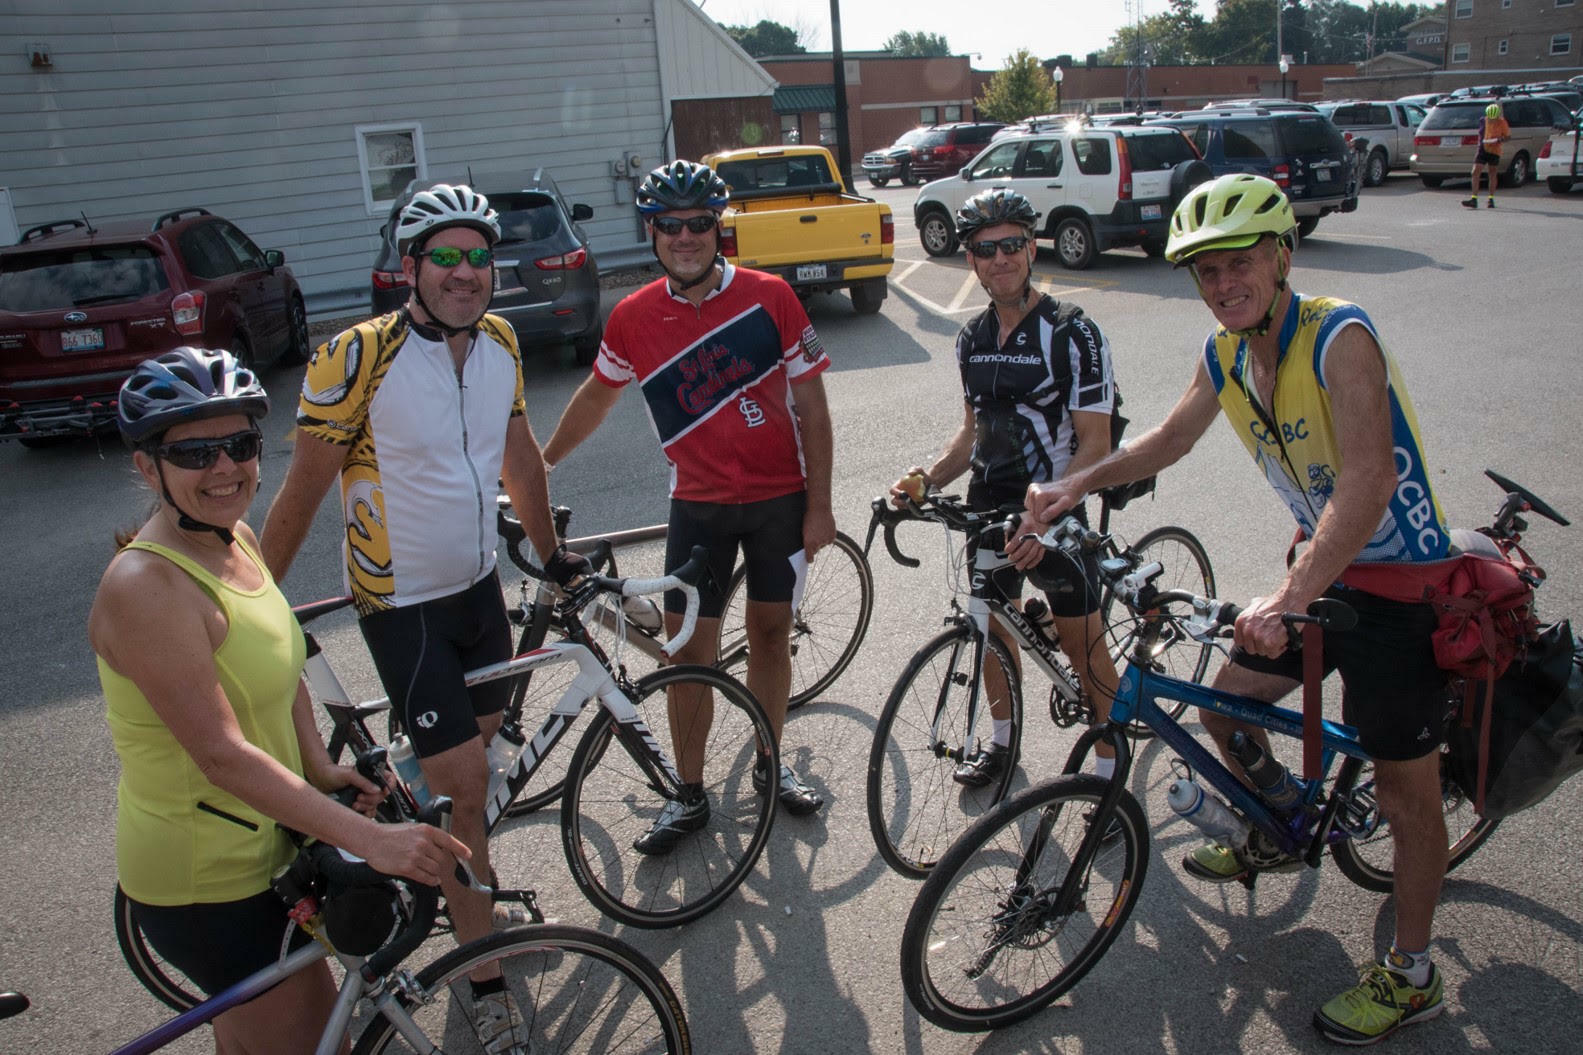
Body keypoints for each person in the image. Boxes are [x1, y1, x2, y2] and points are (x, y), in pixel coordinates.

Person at [1018, 173, 1454, 1045]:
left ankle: (1412, 971)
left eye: (1239, 264)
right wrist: (1074, 483)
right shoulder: (1225, 353)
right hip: (1321, 576)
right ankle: (1281, 821)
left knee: (1405, 788)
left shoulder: (1339, 336)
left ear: (1281, 255)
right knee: (1228, 707)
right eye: (1204, 273)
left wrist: (1289, 597)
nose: (1222, 285)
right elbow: (1169, 439)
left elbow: (1367, 485)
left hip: (1401, 586)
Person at [258, 184, 586, 1044]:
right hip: (400, 607)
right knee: (469, 791)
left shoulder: (502, 342)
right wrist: (247, 599)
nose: (464, 272)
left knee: (472, 774)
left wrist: (552, 558)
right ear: (408, 266)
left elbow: (520, 460)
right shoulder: (355, 356)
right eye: (444, 256)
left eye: (478, 256)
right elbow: (302, 490)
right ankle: (483, 981)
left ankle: (437, 867)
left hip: (479, 593)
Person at [91, 348, 468, 1055]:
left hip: (264, 840)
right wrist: (369, 837)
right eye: (195, 452)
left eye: (239, 445)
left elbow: (282, 658)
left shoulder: (234, 538)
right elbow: (220, 755)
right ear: (149, 468)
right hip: (208, 876)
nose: (226, 468)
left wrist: (317, 768)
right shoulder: (146, 586)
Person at [541, 160, 836, 851]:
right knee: (686, 655)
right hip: (697, 508)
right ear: (651, 232)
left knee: (769, 636)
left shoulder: (771, 297)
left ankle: (769, 761)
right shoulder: (634, 316)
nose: (684, 236)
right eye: (668, 226)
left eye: (698, 223)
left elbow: (813, 414)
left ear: (718, 225)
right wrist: (544, 461)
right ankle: (690, 790)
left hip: (777, 502)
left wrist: (818, 505)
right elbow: (595, 395)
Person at [888, 188, 1120, 789]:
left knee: (1083, 646)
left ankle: (1107, 771)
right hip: (990, 508)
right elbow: (970, 437)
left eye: (1011, 244)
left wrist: (1048, 509)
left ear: (1032, 246)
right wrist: (921, 482)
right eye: (985, 250)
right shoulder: (972, 339)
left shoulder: (1076, 334)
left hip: (1057, 507)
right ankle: (1001, 743)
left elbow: (1097, 444)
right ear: (970, 260)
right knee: (991, 626)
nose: (1000, 259)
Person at [1462, 102, 1509, 209]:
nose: (1492, 120)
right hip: (1483, 149)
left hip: (1494, 150)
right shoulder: (1483, 121)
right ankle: (1474, 198)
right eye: (1490, 118)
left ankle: (1490, 198)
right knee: (1475, 171)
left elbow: (1507, 136)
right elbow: (1481, 134)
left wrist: (1500, 139)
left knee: (1492, 173)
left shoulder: (1502, 122)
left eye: (1494, 118)